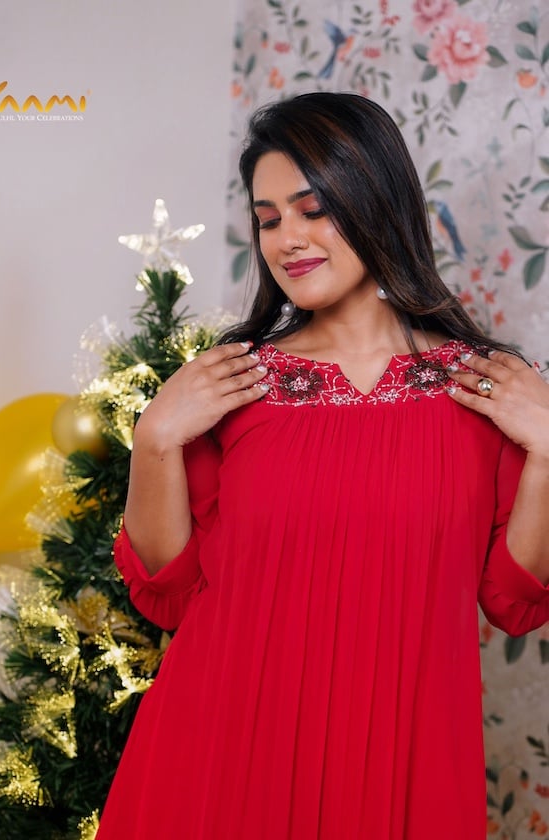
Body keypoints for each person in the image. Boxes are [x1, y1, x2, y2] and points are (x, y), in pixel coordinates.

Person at [96, 92, 549, 839]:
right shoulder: (235, 382)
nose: (288, 240)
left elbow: (514, 597)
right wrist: (154, 439)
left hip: (400, 764)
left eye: (313, 210)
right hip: (217, 758)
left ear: (376, 202)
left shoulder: (484, 387)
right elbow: (166, 593)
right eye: (269, 219)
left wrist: (547, 454)